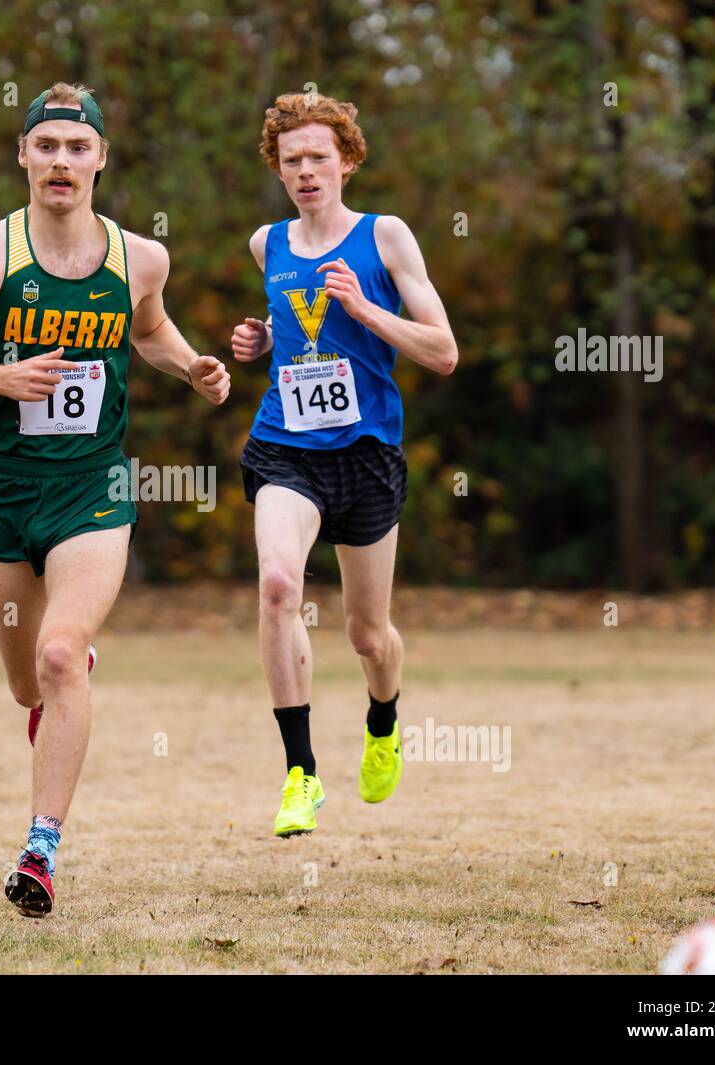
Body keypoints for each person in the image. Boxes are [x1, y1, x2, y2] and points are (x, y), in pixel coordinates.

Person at [0, 82, 229, 914]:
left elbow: (149, 327)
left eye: (76, 147)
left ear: (101, 159)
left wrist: (191, 363)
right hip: (7, 491)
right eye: (45, 145)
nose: (61, 160)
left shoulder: (139, 258)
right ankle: (61, 686)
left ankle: (40, 849)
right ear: (22, 155)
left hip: (94, 487)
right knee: (29, 686)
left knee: (58, 655)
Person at [230, 92, 458, 837]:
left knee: (368, 633)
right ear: (278, 169)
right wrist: (262, 339)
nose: (304, 171)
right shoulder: (267, 243)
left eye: (318, 157)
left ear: (347, 161)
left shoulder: (386, 237)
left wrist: (367, 311)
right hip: (284, 448)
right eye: (290, 160)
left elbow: (443, 351)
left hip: (366, 456)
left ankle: (383, 716)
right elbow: (296, 319)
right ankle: (301, 774)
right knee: (275, 586)